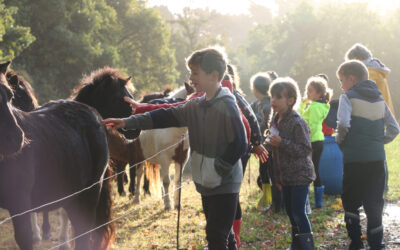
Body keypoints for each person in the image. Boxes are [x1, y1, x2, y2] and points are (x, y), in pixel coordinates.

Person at [103, 47, 248, 250]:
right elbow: (164, 115)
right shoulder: (195, 105)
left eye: (195, 73)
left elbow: (240, 142)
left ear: (214, 76)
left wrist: (218, 169)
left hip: (224, 183)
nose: (190, 78)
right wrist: (128, 122)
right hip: (206, 182)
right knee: (223, 235)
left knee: (216, 236)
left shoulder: (227, 106)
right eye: (190, 73)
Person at [336, 60, 399, 250]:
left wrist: (341, 141)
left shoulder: (347, 98)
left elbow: (344, 125)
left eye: (341, 80)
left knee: (351, 202)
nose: (341, 85)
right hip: (377, 160)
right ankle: (376, 243)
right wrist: (379, 142)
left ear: (352, 79)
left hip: (354, 160)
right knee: (374, 203)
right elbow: (395, 128)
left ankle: (356, 243)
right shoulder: (380, 101)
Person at [267, 77, 315, 249]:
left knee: (298, 212)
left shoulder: (297, 122)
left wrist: (282, 143)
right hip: (284, 175)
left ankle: (308, 246)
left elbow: (304, 149)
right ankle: (297, 245)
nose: (273, 100)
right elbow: (274, 144)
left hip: (300, 175)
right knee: (290, 212)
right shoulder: (275, 119)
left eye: (278, 97)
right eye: (272, 96)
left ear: (290, 100)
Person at [298, 76, 332, 208]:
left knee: (309, 170)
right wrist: (303, 104)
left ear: (319, 93)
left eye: (310, 91)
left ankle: (310, 200)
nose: (307, 92)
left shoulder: (316, 107)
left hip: (312, 141)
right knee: (314, 169)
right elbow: (301, 116)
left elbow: (309, 124)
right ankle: (317, 201)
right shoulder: (316, 105)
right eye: (307, 89)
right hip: (317, 140)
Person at [345, 43, 395, 116]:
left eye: (352, 61)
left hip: (376, 117)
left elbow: (363, 97)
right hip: (383, 114)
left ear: (359, 58)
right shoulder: (374, 70)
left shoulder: (369, 73)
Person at [249, 72, 273, 211]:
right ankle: (267, 197)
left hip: (267, 144)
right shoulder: (257, 103)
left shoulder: (267, 105)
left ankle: (269, 199)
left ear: (255, 89)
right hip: (262, 143)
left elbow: (264, 124)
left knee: (266, 171)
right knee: (263, 171)